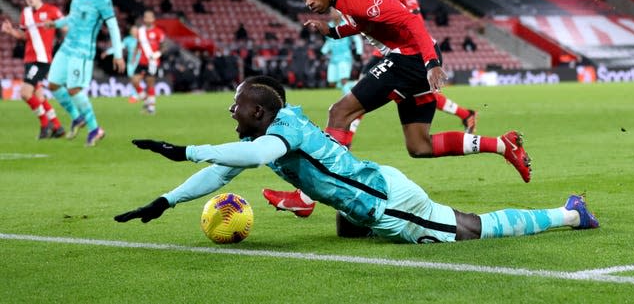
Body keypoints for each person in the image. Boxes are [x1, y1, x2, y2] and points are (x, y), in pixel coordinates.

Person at [114, 75, 599, 245]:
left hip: (389, 202)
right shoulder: (273, 128)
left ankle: (570, 212)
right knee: (348, 219)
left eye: (236, 104)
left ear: (258, 111)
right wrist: (165, 201)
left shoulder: (280, 132)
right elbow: (222, 169)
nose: (230, 110)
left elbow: (256, 153)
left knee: (472, 229)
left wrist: (184, 150)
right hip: (367, 191)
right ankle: (353, 217)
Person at [263, 0, 530, 217]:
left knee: (340, 112)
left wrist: (431, 63)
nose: (308, 2)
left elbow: (412, 20)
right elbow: (364, 22)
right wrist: (333, 32)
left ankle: (307, 197)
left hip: (409, 59)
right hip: (411, 58)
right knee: (419, 146)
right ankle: (503, 145)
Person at [379, 0, 478, 134]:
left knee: (373, 89)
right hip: (389, 49)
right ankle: (465, 114)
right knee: (414, 92)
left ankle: (343, 140)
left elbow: (416, 22)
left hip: (406, 51)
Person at [46, 0, 125, 146]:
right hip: (67, 47)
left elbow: (113, 27)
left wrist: (119, 54)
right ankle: (76, 117)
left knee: (74, 89)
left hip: (82, 52)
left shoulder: (103, 0)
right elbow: (72, 18)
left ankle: (95, 129)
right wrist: (56, 24)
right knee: (54, 85)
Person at [1, 0, 66, 139]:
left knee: (25, 93)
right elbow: (25, 36)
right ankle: (57, 127)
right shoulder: (26, 14)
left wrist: (63, 43)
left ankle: (45, 124)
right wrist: (11, 32)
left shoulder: (51, 10)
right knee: (39, 96)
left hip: (41, 59)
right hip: (30, 59)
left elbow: (66, 27)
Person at [130, 10, 165, 114]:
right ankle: (145, 99)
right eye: (146, 17)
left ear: (153, 19)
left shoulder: (158, 32)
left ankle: (151, 108)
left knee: (150, 83)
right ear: (144, 19)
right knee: (134, 81)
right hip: (142, 61)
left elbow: (164, 46)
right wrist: (134, 57)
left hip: (152, 62)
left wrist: (158, 54)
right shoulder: (140, 32)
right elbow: (138, 45)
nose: (148, 19)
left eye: (150, 17)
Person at [320, 8, 363, 94]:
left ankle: (348, 98)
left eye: (334, 12)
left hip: (345, 57)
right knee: (332, 83)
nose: (332, 14)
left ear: (340, 13)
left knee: (344, 80)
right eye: (331, 12)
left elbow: (357, 39)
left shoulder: (346, 25)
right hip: (333, 58)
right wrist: (323, 52)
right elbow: (329, 42)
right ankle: (356, 83)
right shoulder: (329, 26)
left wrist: (359, 52)